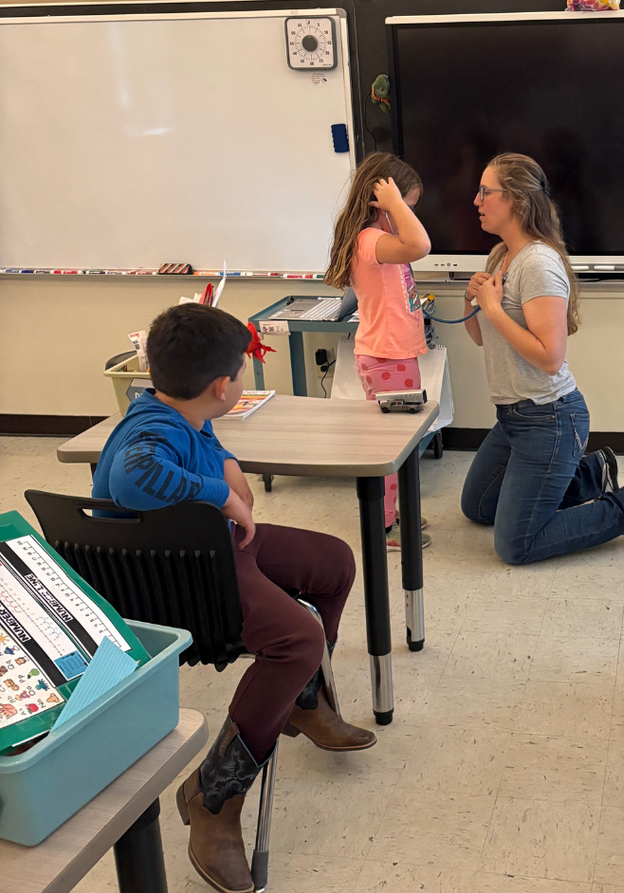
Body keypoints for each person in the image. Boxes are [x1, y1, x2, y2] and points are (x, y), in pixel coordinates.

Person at [92, 303, 374, 893]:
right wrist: (221, 493)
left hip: (214, 549)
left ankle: (300, 698)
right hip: (180, 578)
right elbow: (129, 476)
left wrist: (226, 464)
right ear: (224, 387)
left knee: (335, 563)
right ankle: (213, 797)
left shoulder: (172, 407)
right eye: (242, 373)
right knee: (300, 637)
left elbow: (204, 441)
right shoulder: (153, 429)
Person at [460, 152, 624, 564]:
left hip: (549, 418)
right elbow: (481, 337)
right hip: (512, 417)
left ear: (516, 200)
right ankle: (594, 472)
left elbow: (550, 357)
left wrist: (494, 308)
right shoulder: (501, 256)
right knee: (479, 507)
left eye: (486, 191)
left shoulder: (538, 263)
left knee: (514, 545)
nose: (476, 201)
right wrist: (472, 302)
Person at [325, 151, 432, 549]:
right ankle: (384, 526)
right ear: (381, 203)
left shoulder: (376, 242)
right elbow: (421, 244)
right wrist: (394, 203)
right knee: (393, 444)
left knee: (398, 440)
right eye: (407, 206)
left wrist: (396, 205)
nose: (410, 214)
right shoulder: (371, 241)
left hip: (391, 353)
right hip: (388, 356)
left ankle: (390, 512)